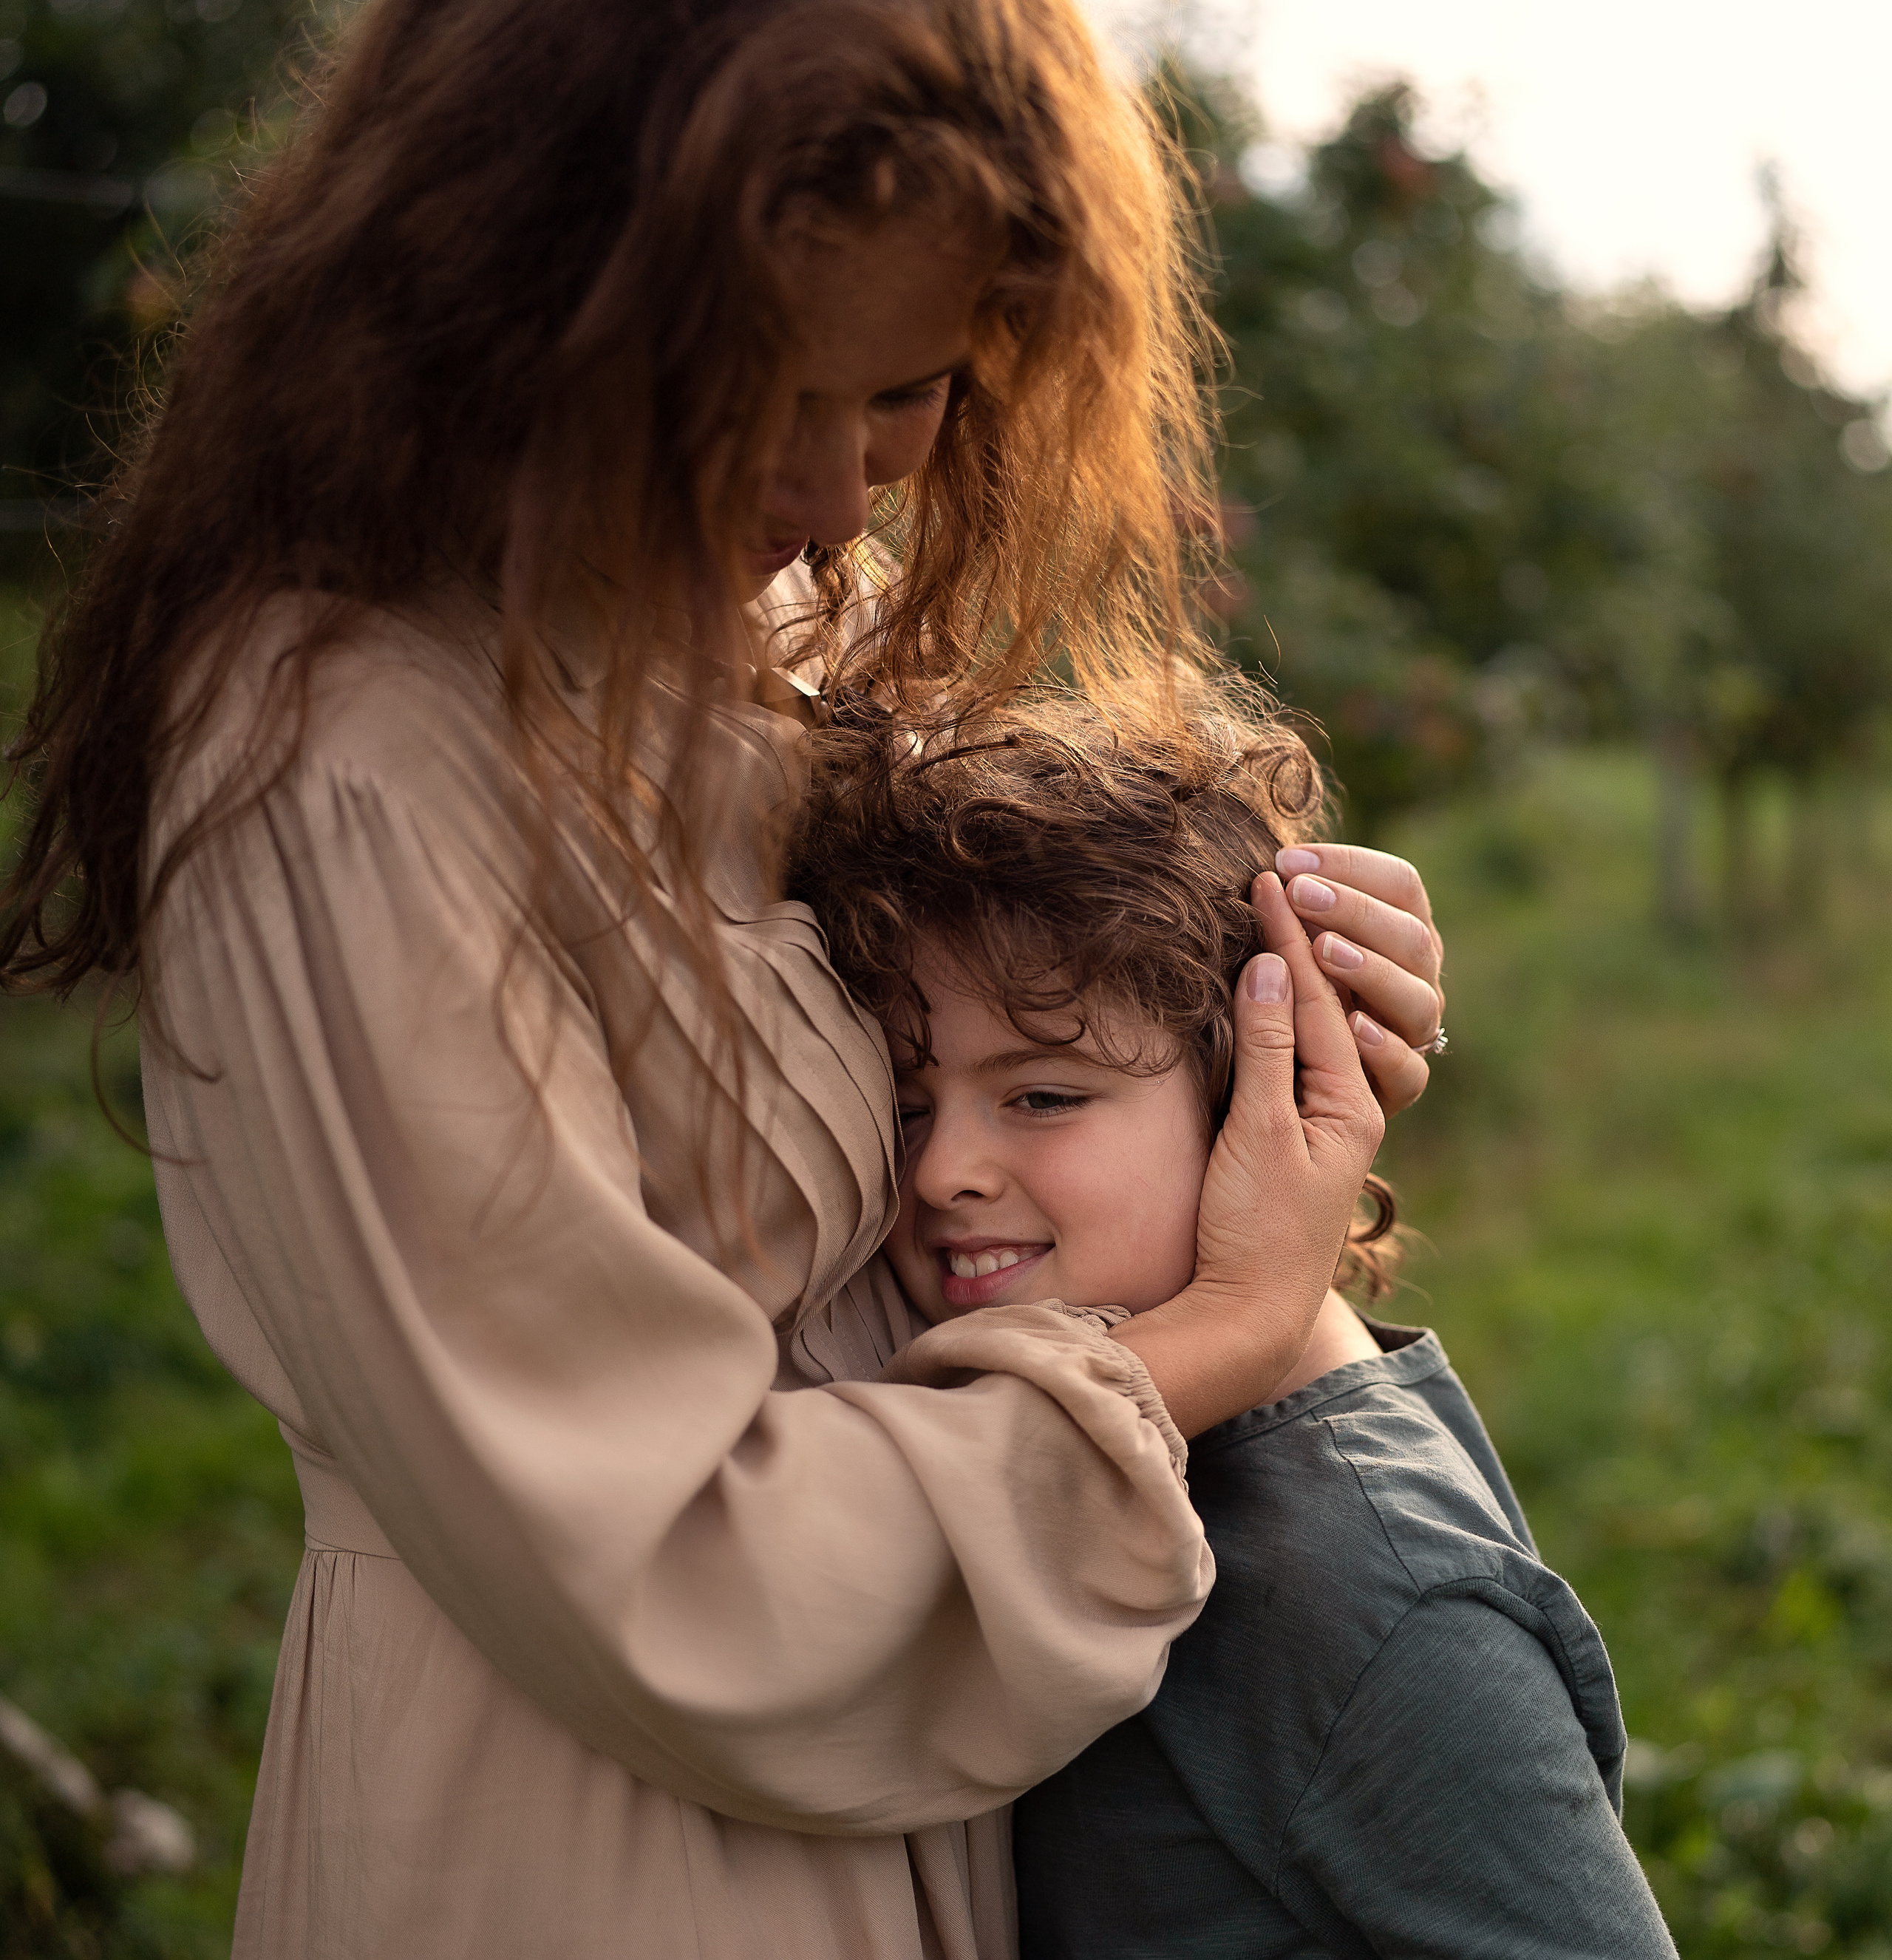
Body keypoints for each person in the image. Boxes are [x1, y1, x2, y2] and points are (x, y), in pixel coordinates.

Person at [0, 1, 1448, 1955]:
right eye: (755, 391)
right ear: (525, 297)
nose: (841, 498)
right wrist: (1221, 1326)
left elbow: (1013, 1006)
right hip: (582, 1840)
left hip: (907, 1784)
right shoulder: (345, 759)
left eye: (910, 394)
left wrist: (1271, 1003)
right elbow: (663, 1568)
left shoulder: (739, 614)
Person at [791, 691, 1678, 1960]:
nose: (942, 1176)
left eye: (1043, 1094)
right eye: (910, 1104)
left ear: (1270, 1099)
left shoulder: (1370, 1606)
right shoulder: (1097, 1429)